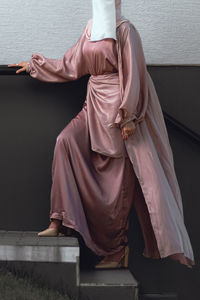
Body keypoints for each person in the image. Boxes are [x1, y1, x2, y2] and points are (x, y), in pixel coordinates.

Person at [8, 0, 195, 269]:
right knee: (65, 141)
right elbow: (71, 64)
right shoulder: (90, 29)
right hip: (93, 102)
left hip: (117, 112)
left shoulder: (126, 30)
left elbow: (134, 75)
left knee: (116, 185)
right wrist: (35, 65)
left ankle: (117, 252)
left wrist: (128, 115)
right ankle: (59, 220)